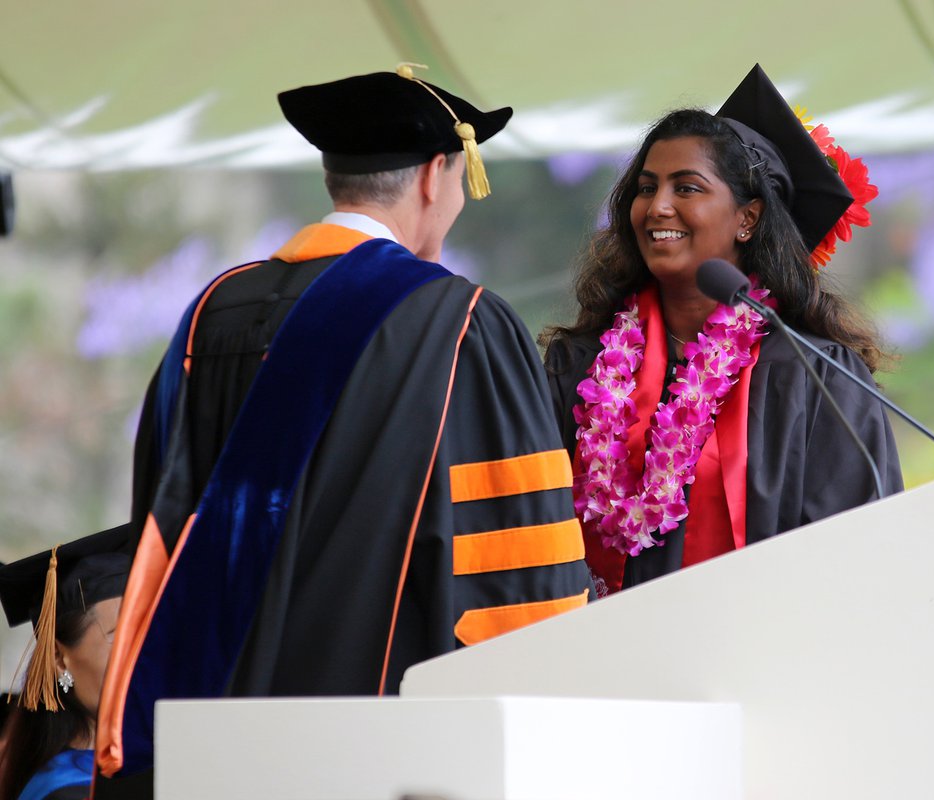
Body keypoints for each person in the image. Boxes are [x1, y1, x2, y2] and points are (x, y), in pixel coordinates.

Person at [94, 66, 591, 797]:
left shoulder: (211, 313)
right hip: (373, 741)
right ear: (435, 176)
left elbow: (162, 522)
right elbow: (518, 571)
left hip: (206, 733)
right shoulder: (455, 323)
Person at [542, 64, 903, 597]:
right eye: (647, 188)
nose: (658, 207)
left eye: (686, 188)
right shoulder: (579, 367)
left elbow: (857, 554)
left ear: (747, 219)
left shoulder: (815, 376)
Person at [0, 527, 131, 800]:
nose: (138, 656)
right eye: (119, 637)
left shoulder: (128, 768)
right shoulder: (68, 790)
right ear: (59, 658)